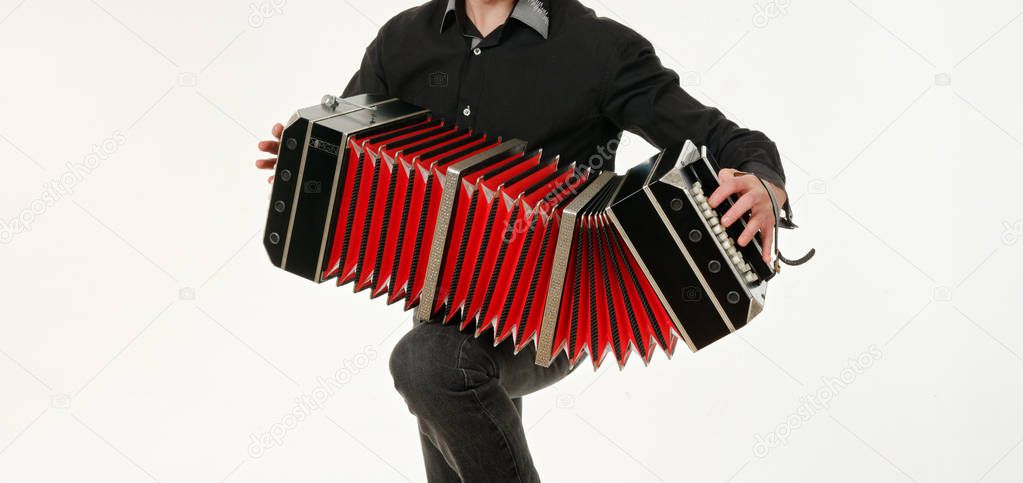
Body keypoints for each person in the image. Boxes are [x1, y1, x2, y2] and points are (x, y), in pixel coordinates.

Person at [256, 1, 789, 481]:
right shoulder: (403, 41)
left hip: (561, 309)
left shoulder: (598, 48)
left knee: (430, 365)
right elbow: (346, 146)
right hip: (441, 307)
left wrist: (765, 181)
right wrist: (300, 160)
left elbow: (728, 140)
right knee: (438, 364)